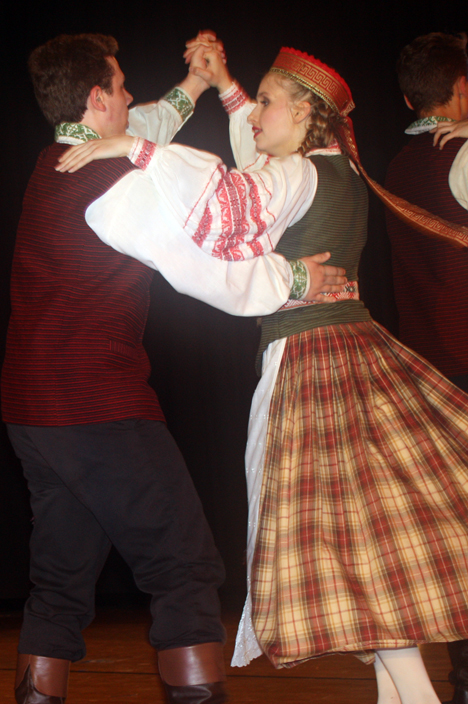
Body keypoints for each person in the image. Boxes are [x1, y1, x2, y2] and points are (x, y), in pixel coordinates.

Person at [58, 38, 468, 704]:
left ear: (306, 116)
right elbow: (257, 170)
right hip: (355, 353)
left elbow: (233, 206)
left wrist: (134, 149)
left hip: (314, 367)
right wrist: (226, 88)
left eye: (269, 105)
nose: (255, 117)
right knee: (369, 551)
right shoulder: (332, 169)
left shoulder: (300, 174)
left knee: (355, 552)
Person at [4, 32, 347, 704]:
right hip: (97, 407)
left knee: (61, 577)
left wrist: (198, 83)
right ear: (98, 98)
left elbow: (143, 125)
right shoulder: (115, 187)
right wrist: (296, 277)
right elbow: (206, 268)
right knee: (184, 565)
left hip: (31, 411)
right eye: (124, 86)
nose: (134, 98)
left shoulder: (56, 160)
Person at [384, 34, 468, 704]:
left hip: (431, 371)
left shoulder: (399, 163)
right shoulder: (461, 155)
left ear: (410, 99)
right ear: (460, 90)